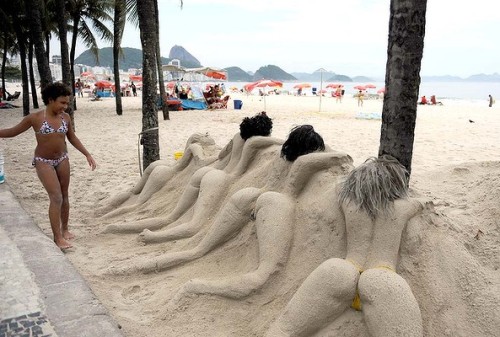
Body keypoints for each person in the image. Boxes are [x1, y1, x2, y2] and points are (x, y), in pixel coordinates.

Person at [266, 155, 424, 337]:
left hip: (344, 269)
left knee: (284, 330)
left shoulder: (348, 201)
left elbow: (340, 184)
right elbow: (423, 203)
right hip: (382, 275)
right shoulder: (404, 206)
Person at [0, 82, 97, 250]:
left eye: (67, 103)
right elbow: (12, 132)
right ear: (51, 100)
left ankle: (65, 229)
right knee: (56, 197)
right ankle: (57, 237)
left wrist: (87, 154)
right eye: (62, 102)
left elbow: (72, 137)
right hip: (43, 161)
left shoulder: (65, 118)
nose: (65, 106)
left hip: (62, 159)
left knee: (65, 195)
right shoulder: (36, 118)